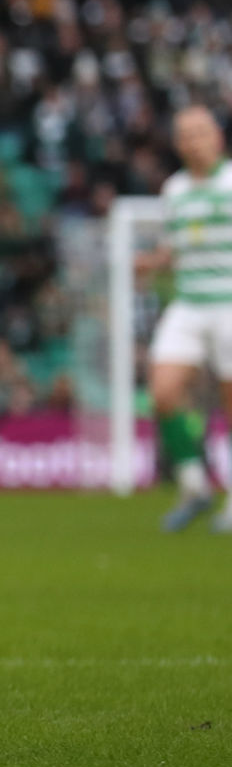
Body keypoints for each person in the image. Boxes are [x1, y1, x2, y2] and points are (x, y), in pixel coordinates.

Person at [141, 105, 232, 533]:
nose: (193, 140)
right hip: (190, 303)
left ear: (217, 136)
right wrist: (151, 263)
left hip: (229, 302)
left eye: (200, 131)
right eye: (184, 134)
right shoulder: (174, 190)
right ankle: (195, 485)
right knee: (162, 391)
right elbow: (173, 249)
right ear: (177, 144)